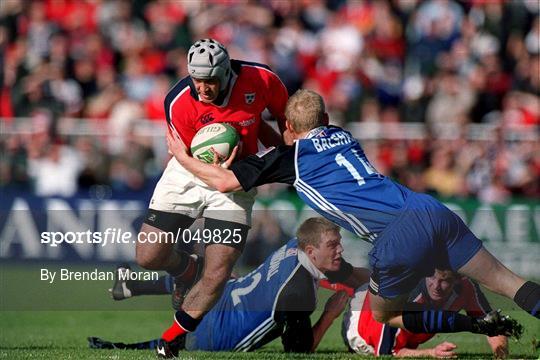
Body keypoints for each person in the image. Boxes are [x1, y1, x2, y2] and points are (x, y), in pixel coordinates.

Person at [165, 88, 538, 344]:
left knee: (384, 315)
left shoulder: (290, 157)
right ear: (326, 118)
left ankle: (475, 324)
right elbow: (310, 137)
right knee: (508, 281)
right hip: (430, 208)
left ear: (288, 130)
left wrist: (182, 156)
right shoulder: (343, 134)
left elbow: (226, 181)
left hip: (395, 235)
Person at [138, 38, 289, 341]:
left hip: (237, 178)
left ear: (226, 71)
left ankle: (174, 339)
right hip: (189, 170)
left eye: (210, 81)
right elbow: (187, 157)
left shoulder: (262, 80)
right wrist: (215, 169)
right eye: (197, 80)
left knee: (218, 271)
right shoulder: (178, 102)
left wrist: (284, 157)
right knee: (148, 256)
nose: (203, 88)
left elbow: (285, 124)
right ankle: (186, 269)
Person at [92, 217, 370, 356]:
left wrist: (383, 280)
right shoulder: (296, 295)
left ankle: (135, 287)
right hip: (213, 336)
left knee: (210, 271)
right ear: (311, 251)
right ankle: (168, 297)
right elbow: (299, 351)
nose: (340, 249)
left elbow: (349, 274)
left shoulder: (293, 246)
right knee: (212, 273)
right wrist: (329, 315)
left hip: (216, 302)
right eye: (333, 245)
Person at [343, 269, 508, 358]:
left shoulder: (466, 287)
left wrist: (501, 355)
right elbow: (387, 353)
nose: (436, 286)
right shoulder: (408, 294)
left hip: (375, 297)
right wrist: (431, 352)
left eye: (445, 280)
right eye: (432, 277)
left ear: (457, 280)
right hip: (359, 331)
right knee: (356, 281)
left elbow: (491, 324)